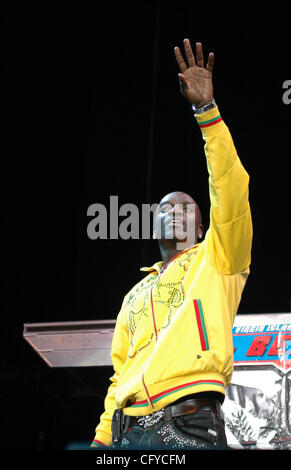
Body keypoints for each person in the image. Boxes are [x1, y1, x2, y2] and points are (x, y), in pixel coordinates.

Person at [91, 38, 253, 450]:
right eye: (164, 207)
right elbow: (120, 372)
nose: (173, 209)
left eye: (186, 206)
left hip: (185, 426)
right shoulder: (134, 295)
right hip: (126, 433)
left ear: (203, 226)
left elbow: (231, 188)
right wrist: (103, 438)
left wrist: (207, 113)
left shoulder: (218, 259)